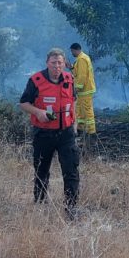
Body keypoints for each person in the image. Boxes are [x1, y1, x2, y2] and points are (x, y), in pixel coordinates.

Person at [19, 48, 80, 217]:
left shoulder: (69, 78)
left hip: (66, 134)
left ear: (64, 64)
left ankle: (71, 209)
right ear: (47, 63)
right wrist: (38, 112)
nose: (57, 66)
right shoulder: (36, 80)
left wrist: (74, 123)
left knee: (71, 171)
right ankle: (39, 205)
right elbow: (23, 103)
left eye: (60, 63)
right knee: (41, 170)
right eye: (53, 63)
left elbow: (73, 100)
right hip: (44, 133)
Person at [69, 42, 97, 135]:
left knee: (87, 109)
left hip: (85, 90)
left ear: (76, 50)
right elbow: (77, 73)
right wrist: (71, 67)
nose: (72, 53)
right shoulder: (82, 58)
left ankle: (91, 132)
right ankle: (80, 129)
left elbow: (82, 75)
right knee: (80, 110)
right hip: (83, 91)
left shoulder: (81, 59)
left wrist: (77, 88)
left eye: (72, 51)